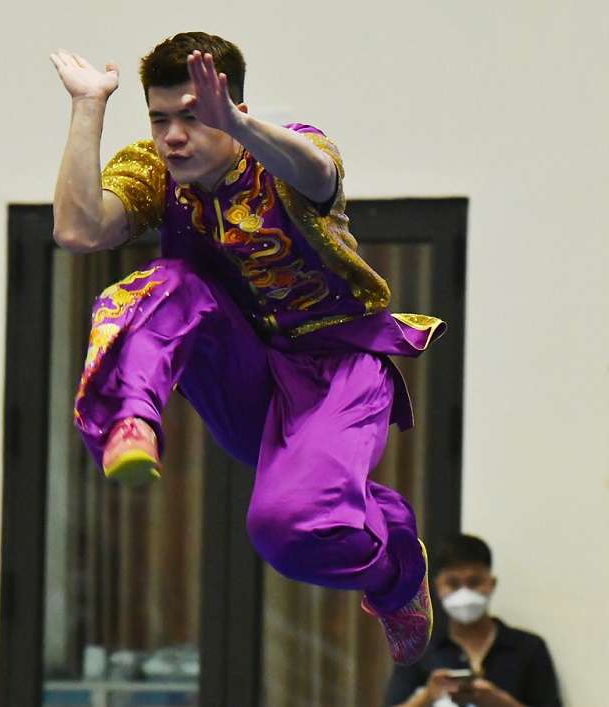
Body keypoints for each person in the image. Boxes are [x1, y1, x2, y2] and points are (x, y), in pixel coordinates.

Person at [49, 32, 445, 665]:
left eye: (192, 117)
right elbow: (77, 229)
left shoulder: (286, 153)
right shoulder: (154, 173)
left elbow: (317, 174)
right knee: (163, 285)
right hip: (246, 382)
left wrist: (236, 123)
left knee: (283, 531)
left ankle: (396, 572)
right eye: (160, 119)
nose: (173, 136)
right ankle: (132, 418)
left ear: (230, 107)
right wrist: (88, 107)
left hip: (336, 375)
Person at [383, 535, 562, 706]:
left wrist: (499, 702)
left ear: (491, 584)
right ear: (437, 587)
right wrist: (428, 696)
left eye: (475, 582)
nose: (464, 593)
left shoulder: (528, 648)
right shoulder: (418, 648)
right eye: (453, 583)